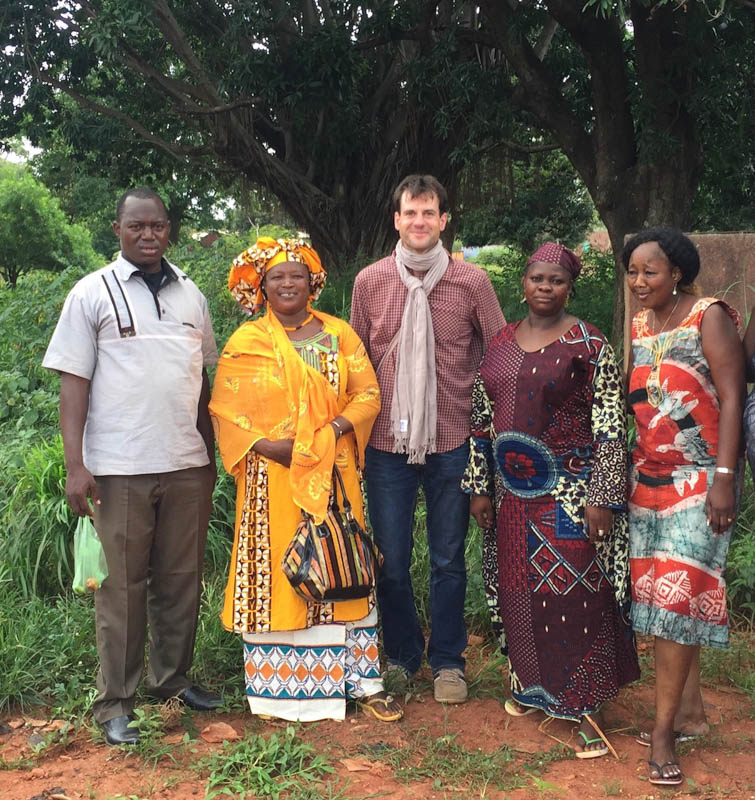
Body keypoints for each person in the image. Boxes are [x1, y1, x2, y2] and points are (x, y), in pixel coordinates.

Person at [43, 188, 221, 746]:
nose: (148, 235)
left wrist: (211, 456)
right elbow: (74, 383)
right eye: (137, 226)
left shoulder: (191, 294)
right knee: (120, 587)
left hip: (186, 462)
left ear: (169, 229)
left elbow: (204, 382)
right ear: (117, 229)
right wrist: (77, 466)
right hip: (118, 467)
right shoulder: (91, 292)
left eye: (158, 226)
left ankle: (172, 680)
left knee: (180, 578)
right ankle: (115, 701)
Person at [209, 237, 401, 723]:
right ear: (262, 287)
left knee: (342, 560)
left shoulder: (339, 335)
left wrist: (333, 431)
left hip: (333, 473)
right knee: (281, 570)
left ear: (312, 281)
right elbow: (227, 412)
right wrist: (275, 450)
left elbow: (368, 395)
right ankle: (281, 694)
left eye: (296, 274)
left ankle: (362, 682)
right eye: (277, 276)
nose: (288, 282)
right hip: (270, 481)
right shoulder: (246, 343)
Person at [462, 242, 639, 757]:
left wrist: (603, 497)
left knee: (579, 596)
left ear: (569, 287)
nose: (545, 287)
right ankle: (535, 688)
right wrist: (478, 487)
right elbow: (480, 418)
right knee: (520, 590)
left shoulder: (590, 343)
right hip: (512, 496)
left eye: (556, 281)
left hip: (572, 493)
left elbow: (610, 425)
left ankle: (590, 710)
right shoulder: (497, 342)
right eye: (537, 278)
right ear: (524, 281)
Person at [349, 174, 505, 703]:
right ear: (396, 220)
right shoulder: (369, 282)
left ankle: (447, 662)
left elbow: (499, 356)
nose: (419, 222)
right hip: (386, 444)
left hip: (453, 440)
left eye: (428, 213)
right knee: (389, 557)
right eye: (409, 214)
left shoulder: (472, 282)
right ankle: (401, 655)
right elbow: (356, 369)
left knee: (448, 559)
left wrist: (491, 435)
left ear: (444, 220)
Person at [624, 228, 744, 786]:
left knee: (675, 599)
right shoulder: (642, 323)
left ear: (677, 273)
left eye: (650, 270)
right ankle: (690, 709)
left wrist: (725, 477)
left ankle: (665, 731)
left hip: (698, 481)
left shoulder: (708, 315)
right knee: (664, 600)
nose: (639, 280)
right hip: (647, 478)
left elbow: (732, 394)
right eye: (633, 271)